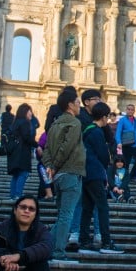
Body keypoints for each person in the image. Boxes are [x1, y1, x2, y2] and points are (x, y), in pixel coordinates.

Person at [43, 88, 86, 261]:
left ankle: (45, 246)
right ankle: (58, 251)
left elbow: (46, 149)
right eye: (77, 103)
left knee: (62, 215)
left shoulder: (55, 124)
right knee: (67, 215)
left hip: (59, 176)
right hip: (71, 172)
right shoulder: (75, 123)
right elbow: (66, 148)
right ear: (70, 105)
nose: (79, 106)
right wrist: (55, 165)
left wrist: (50, 166)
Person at [78, 102, 124, 254]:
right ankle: (106, 242)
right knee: (103, 207)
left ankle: (84, 241)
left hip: (85, 173)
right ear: (104, 117)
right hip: (95, 173)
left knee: (87, 207)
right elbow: (104, 155)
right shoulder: (97, 132)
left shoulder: (87, 131)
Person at [7, 103, 37, 199]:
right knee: (23, 173)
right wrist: (37, 145)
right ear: (25, 112)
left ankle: (13, 195)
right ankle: (17, 195)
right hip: (22, 152)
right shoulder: (24, 122)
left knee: (16, 175)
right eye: (30, 111)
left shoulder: (15, 122)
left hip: (14, 152)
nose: (31, 114)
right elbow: (26, 137)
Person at [115, 103, 136, 197]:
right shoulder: (122, 120)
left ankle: (132, 175)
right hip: (126, 144)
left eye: (132, 109)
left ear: (134, 111)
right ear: (126, 110)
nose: (130, 111)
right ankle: (126, 178)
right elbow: (118, 132)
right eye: (128, 109)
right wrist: (119, 142)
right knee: (126, 163)